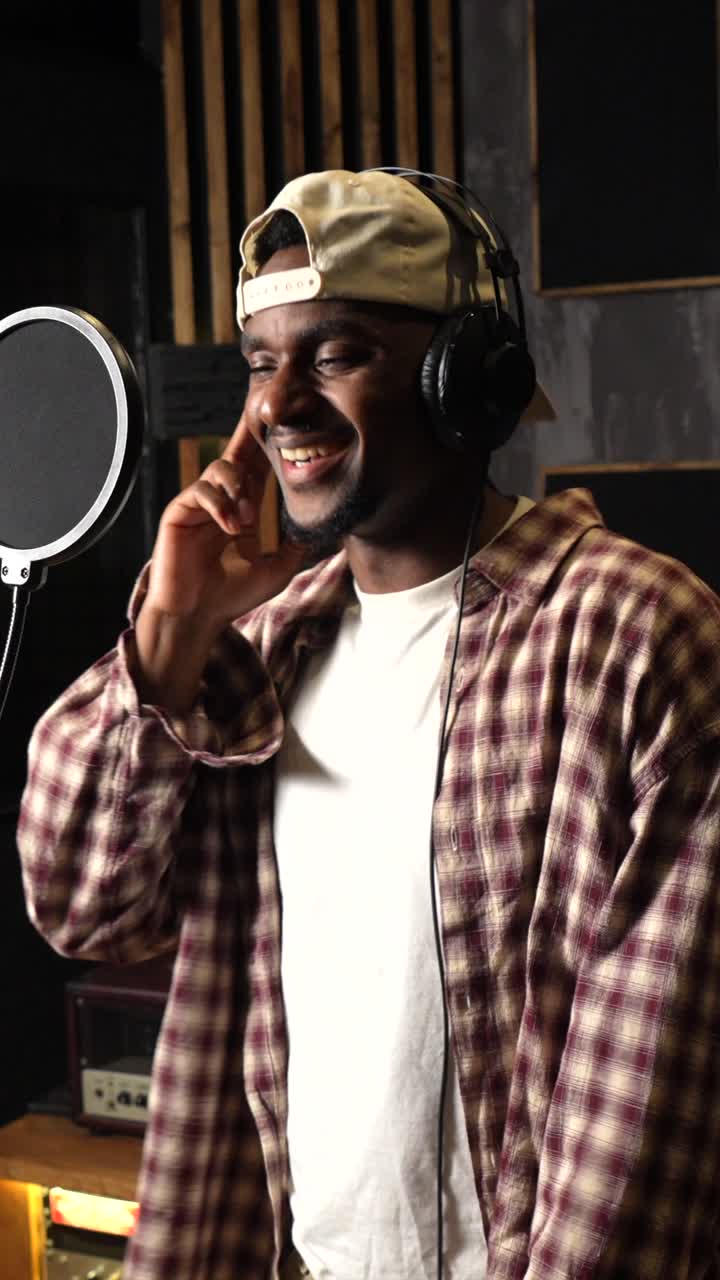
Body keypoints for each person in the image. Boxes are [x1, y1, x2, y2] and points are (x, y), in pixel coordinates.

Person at [17, 168, 720, 1280]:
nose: (278, 404)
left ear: (467, 379)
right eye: (261, 362)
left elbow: (643, 1115)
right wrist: (170, 626)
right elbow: (78, 902)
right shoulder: (262, 655)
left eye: (335, 353)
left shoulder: (633, 637)